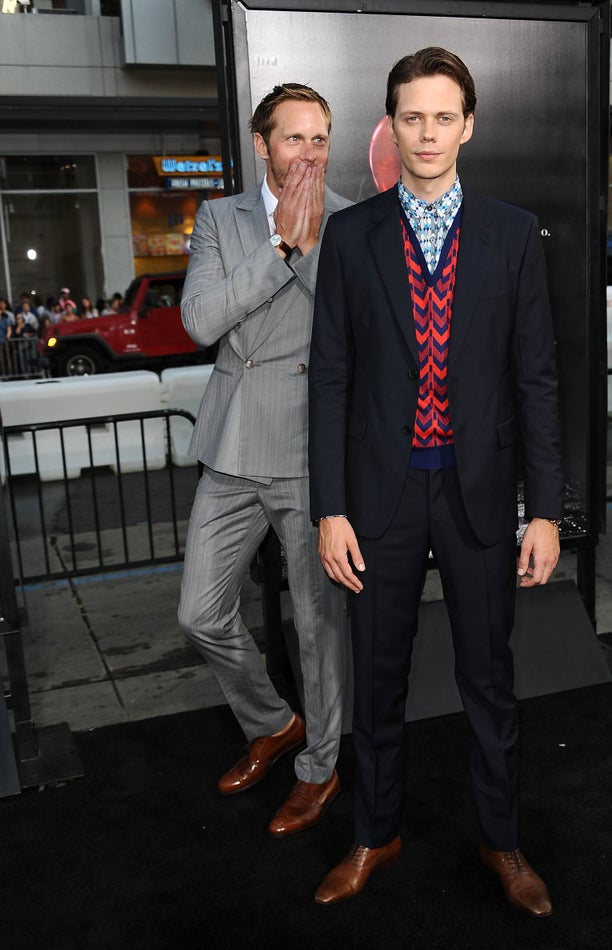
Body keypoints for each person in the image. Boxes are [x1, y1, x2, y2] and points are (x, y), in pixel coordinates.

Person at [308, 48, 564, 915]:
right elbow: (331, 378)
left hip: (481, 495)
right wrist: (330, 507)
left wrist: (546, 511)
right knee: (377, 681)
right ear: (393, 125)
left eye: (443, 116)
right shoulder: (351, 236)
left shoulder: (511, 231)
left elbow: (537, 380)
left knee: (488, 679)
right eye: (412, 116)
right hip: (377, 500)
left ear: (468, 124)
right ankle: (374, 834)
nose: (427, 132)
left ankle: (502, 842)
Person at [178, 83, 352, 837]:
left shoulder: (348, 222)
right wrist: (281, 241)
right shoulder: (220, 217)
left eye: (320, 140)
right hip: (230, 441)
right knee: (199, 612)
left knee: (319, 625)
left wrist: (309, 242)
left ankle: (319, 766)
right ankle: (272, 721)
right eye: (293, 139)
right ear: (261, 144)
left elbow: (350, 331)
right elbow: (200, 321)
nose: (308, 155)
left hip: (310, 448)